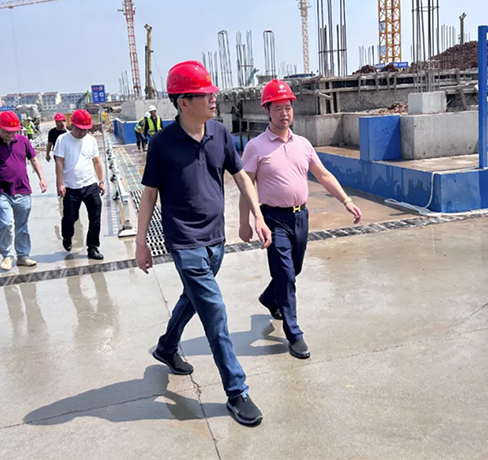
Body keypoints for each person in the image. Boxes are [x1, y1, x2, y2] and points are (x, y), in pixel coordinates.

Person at [135, 60, 271, 427]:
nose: (214, 98)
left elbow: (241, 176)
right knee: (215, 312)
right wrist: (141, 242)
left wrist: (257, 216)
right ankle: (236, 391)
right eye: (205, 94)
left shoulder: (220, 133)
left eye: (213, 93)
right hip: (184, 241)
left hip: (215, 239)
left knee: (193, 299)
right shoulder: (162, 143)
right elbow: (149, 195)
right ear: (183, 102)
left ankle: (166, 347)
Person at [239, 79, 363, 360]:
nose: (284, 113)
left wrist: (346, 200)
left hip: (300, 217)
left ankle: (269, 297)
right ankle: (293, 332)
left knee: (294, 269)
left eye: (288, 107)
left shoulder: (303, 144)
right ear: (266, 111)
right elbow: (247, 187)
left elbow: (323, 175)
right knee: (285, 274)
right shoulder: (256, 147)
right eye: (278, 108)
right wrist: (245, 222)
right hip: (273, 218)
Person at [0, 110, 48, 271]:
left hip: (22, 189)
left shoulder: (23, 140)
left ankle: (23, 256)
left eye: (13, 132)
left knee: (22, 225)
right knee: (6, 223)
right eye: (6, 132)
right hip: (2, 190)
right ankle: (7, 255)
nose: (10, 135)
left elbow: (34, 160)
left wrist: (42, 178)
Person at [54, 109, 105, 261]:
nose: (83, 133)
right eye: (80, 129)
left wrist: (101, 181)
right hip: (71, 187)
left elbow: (96, 161)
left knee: (95, 217)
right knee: (70, 217)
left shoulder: (91, 140)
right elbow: (59, 162)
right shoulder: (63, 140)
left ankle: (93, 247)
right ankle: (67, 236)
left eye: (86, 130)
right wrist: (60, 184)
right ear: (72, 125)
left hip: (90, 185)